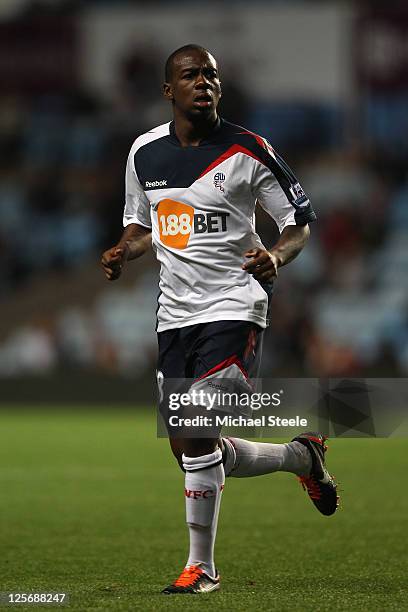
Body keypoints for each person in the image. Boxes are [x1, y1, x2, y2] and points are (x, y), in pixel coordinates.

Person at [101, 44, 338, 595]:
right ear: (169, 91)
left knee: (199, 427)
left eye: (211, 74)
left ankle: (201, 568)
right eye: (191, 75)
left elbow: (298, 222)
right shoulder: (144, 152)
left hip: (236, 304)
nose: (203, 82)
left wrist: (276, 255)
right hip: (174, 315)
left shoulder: (248, 149)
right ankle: (301, 456)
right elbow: (143, 228)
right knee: (192, 449)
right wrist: (121, 250)